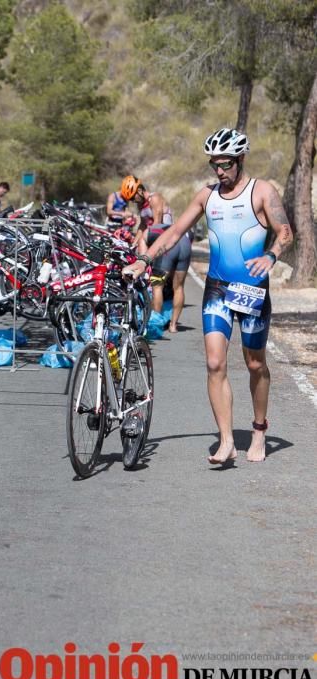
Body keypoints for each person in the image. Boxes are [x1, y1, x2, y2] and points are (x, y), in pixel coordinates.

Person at [123, 128, 293, 464]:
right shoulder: (207, 196)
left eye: (226, 164)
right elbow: (174, 231)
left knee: (254, 363)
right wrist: (144, 260)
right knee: (215, 363)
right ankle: (227, 440)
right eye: (214, 165)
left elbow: (285, 231)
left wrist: (271, 256)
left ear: (240, 159)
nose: (219, 171)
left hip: (251, 289)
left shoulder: (261, 191)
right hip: (217, 289)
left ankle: (259, 429)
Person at [120, 175, 178, 315]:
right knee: (154, 282)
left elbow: (157, 226)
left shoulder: (155, 198)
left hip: (165, 240)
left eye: (134, 197)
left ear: (140, 190)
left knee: (163, 283)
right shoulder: (142, 205)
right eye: (131, 200)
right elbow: (143, 225)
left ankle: (162, 318)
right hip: (153, 241)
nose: (133, 201)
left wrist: (149, 250)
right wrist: (133, 243)